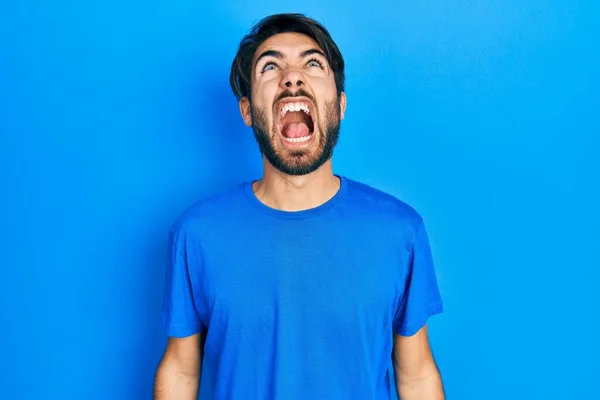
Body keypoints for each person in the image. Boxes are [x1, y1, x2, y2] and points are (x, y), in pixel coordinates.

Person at [154, 13, 444, 400]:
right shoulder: (196, 235)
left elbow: (416, 374)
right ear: (246, 110)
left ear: (339, 105)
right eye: (270, 66)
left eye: (312, 63)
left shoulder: (400, 232)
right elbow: (181, 370)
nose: (292, 77)